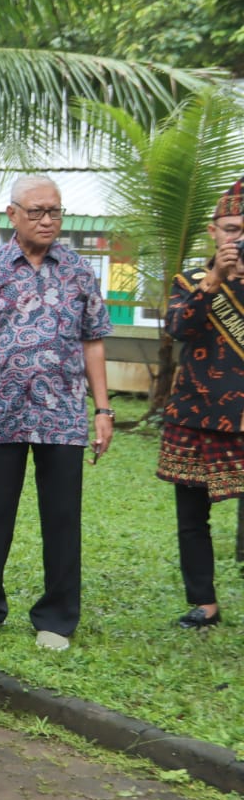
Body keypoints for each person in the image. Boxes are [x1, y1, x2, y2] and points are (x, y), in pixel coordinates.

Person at [0, 175, 114, 651]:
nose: (48, 221)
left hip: (62, 414)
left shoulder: (80, 270)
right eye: (38, 212)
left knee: (62, 516)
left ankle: (57, 618)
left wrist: (103, 409)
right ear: (12, 215)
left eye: (55, 212)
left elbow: (94, 341)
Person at [158, 177, 244, 629]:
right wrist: (214, 280)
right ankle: (204, 603)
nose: (237, 236)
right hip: (194, 413)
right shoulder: (190, 280)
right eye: (230, 228)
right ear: (213, 231)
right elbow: (179, 329)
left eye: (243, 229)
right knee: (192, 517)